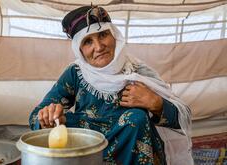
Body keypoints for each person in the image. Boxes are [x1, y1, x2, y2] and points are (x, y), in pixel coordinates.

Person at [29, 5, 193, 165]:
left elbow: (182, 118)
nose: (99, 47)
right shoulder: (75, 73)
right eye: (87, 42)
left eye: (102, 35)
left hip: (133, 154)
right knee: (66, 122)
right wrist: (47, 117)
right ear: (79, 49)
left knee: (136, 118)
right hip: (88, 152)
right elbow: (35, 116)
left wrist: (156, 103)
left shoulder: (137, 73)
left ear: (114, 35)